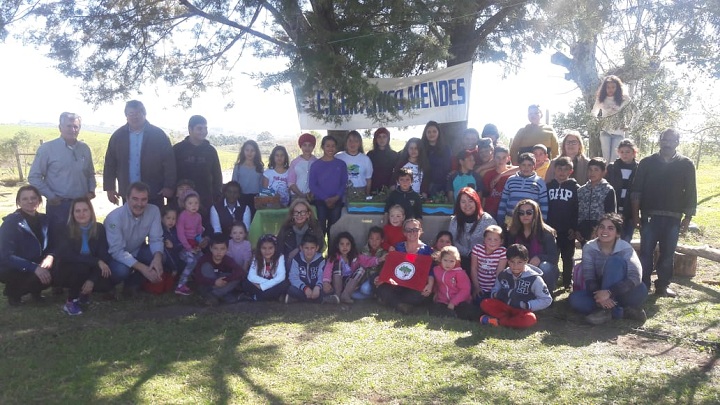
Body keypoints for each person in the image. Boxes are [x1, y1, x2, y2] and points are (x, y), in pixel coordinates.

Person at [632, 128, 697, 297]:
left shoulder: (686, 164)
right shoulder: (647, 162)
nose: (667, 143)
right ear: (659, 141)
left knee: (668, 253)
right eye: (664, 139)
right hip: (649, 216)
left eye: (671, 140)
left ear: (677, 142)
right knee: (646, 252)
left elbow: (691, 192)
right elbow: (636, 191)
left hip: (674, 217)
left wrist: (687, 218)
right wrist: (635, 215)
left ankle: (662, 285)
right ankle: (643, 283)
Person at [569, 214, 648, 324]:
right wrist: (602, 296)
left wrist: (610, 293)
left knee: (614, 261)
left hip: (627, 291)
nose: (605, 231)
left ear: (618, 233)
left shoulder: (625, 248)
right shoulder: (589, 247)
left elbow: (635, 276)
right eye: (602, 227)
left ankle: (604, 311)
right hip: (599, 291)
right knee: (575, 299)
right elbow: (589, 277)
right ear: (597, 230)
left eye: (610, 228)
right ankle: (621, 312)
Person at [28, 112, 96, 227]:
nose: (72, 130)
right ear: (60, 127)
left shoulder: (84, 148)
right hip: (59, 206)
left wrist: (91, 190)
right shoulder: (47, 149)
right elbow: (34, 177)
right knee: (59, 241)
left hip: (82, 205)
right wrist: (51, 196)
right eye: (69, 126)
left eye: (76, 126)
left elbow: (90, 173)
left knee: (83, 239)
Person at [104, 100, 176, 207]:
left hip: (153, 192)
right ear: (126, 116)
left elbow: (169, 162)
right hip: (128, 193)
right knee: (129, 223)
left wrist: (169, 186)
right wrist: (110, 188)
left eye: (137, 113)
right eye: (131, 114)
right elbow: (110, 163)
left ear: (144, 114)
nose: (134, 117)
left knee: (153, 222)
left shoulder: (158, 135)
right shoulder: (118, 136)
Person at [104, 182, 164, 296]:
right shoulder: (114, 218)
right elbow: (117, 251)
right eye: (135, 199)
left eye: (144, 199)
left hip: (137, 249)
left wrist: (157, 259)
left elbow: (156, 239)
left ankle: (131, 286)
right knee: (121, 271)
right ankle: (108, 285)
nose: (139, 204)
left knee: (161, 256)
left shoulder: (154, 211)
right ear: (127, 198)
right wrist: (143, 269)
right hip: (115, 256)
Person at [53, 197, 112, 315]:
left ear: (91, 212)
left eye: (85, 210)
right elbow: (67, 255)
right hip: (67, 270)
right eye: (77, 211)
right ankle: (70, 302)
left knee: (106, 283)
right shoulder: (65, 228)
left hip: (89, 269)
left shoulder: (99, 228)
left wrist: (92, 280)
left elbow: (103, 255)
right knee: (80, 266)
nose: (81, 214)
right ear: (72, 213)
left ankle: (83, 295)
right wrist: (96, 261)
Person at [0, 185, 55, 305]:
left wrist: (50, 256)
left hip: (38, 263)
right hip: (15, 267)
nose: (30, 201)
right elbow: (5, 256)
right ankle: (13, 293)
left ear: (39, 200)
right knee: (29, 274)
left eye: (33, 198)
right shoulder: (10, 223)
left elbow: (53, 244)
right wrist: (34, 268)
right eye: (25, 199)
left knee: (58, 270)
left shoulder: (45, 220)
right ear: (18, 202)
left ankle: (36, 291)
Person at [479, 244, 552, 328]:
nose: (515, 266)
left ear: (526, 261)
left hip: (522, 310)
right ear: (508, 261)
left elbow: (546, 299)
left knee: (530, 319)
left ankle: (499, 321)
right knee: (485, 303)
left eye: (519, 262)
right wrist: (497, 294)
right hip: (505, 307)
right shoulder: (503, 274)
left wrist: (527, 305)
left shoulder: (534, 278)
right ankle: (505, 319)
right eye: (512, 262)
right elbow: (494, 290)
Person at [375, 219, 434, 314]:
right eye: (408, 230)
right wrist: (381, 278)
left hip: (414, 286)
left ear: (420, 231)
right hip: (398, 284)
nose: (412, 232)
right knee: (382, 288)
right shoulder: (398, 247)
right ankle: (400, 305)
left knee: (421, 295)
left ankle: (392, 302)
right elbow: (390, 267)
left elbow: (430, 271)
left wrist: (430, 285)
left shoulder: (427, 250)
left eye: (415, 229)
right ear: (404, 232)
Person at [506, 199, 559, 292]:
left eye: (529, 212)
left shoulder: (546, 233)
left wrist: (540, 258)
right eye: (521, 213)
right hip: (518, 266)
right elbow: (507, 253)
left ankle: (546, 293)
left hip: (540, 269)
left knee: (546, 266)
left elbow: (554, 257)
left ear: (536, 214)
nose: (525, 215)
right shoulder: (512, 232)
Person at [173, 115, 222, 211]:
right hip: (182, 201)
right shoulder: (177, 149)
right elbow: (171, 172)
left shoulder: (211, 151)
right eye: (199, 128)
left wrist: (217, 193)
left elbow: (217, 175)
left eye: (205, 128)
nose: (203, 131)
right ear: (190, 129)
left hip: (205, 199)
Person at [322, 232, 384, 304]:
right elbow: (328, 270)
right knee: (337, 264)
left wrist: (379, 259)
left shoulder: (355, 257)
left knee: (361, 269)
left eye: (347, 244)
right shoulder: (334, 257)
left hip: (349, 284)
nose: (345, 247)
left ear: (351, 245)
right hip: (337, 283)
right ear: (337, 245)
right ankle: (337, 295)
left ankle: (345, 295)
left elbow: (367, 261)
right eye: (342, 244)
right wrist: (326, 282)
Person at [546, 157, 579, 289]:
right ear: (555, 169)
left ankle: (567, 281)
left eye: (566, 169)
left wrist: (573, 227)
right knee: (552, 256)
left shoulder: (576, 188)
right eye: (559, 169)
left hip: (567, 230)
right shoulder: (548, 186)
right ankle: (551, 280)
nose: (562, 172)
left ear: (570, 171)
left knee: (567, 256)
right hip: (550, 228)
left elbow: (577, 209)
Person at [448, 187, 497, 271]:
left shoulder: (488, 221)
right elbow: (451, 241)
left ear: (476, 202)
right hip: (459, 261)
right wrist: (468, 253)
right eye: (463, 202)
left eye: (470, 201)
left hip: (484, 263)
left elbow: (496, 241)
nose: (467, 205)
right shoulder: (455, 221)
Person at [309, 135, 348, 237]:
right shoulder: (316, 165)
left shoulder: (341, 164)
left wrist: (336, 197)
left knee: (334, 228)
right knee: (320, 229)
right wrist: (326, 198)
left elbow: (344, 183)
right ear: (322, 147)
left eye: (333, 146)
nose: (330, 149)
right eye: (328, 146)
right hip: (320, 201)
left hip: (337, 201)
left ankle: (333, 252)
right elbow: (312, 185)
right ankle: (320, 250)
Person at [193, 233, 247, 305]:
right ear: (210, 248)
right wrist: (214, 282)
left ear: (227, 249)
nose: (219, 252)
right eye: (215, 248)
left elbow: (240, 271)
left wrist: (224, 280)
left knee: (236, 276)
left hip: (219, 284)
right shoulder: (204, 259)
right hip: (207, 285)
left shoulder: (227, 259)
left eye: (222, 249)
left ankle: (214, 295)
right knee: (206, 266)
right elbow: (198, 278)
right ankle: (221, 295)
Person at [497, 152, 549, 225]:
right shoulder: (510, 180)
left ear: (534, 166)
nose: (526, 168)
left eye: (529, 165)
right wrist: (500, 219)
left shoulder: (540, 182)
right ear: (519, 166)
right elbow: (503, 201)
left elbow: (544, 204)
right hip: (510, 221)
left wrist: (542, 222)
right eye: (523, 165)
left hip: (530, 221)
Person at [591, 76, 634, 162]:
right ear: (604, 88)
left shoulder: (624, 99)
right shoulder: (601, 99)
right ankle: (604, 175)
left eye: (613, 87)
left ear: (617, 87)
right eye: (608, 87)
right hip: (605, 132)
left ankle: (612, 175)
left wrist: (629, 126)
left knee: (614, 160)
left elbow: (634, 113)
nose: (610, 89)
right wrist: (597, 122)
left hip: (618, 133)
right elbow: (593, 113)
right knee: (606, 160)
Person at [429, 246, 478, 320]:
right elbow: (436, 284)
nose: (448, 264)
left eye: (451, 261)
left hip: (459, 302)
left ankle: (454, 314)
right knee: (435, 309)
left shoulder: (460, 273)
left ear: (456, 261)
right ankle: (450, 314)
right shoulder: (436, 270)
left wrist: (453, 302)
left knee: (467, 311)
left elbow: (465, 290)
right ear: (440, 259)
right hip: (443, 300)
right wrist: (435, 293)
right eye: (445, 260)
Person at [577, 157, 616, 245]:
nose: (592, 173)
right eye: (590, 170)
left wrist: (601, 230)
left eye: (596, 170)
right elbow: (576, 212)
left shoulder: (608, 190)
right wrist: (577, 229)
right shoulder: (581, 190)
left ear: (603, 172)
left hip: (601, 230)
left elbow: (611, 214)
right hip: (583, 230)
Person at [605, 139, 639, 241]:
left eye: (628, 152)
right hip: (614, 209)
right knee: (612, 238)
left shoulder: (638, 168)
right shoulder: (612, 167)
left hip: (629, 210)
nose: (625, 154)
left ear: (634, 153)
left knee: (626, 239)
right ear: (618, 152)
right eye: (622, 152)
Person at [174, 190, 206, 296]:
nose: (194, 206)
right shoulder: (182, 216)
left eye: (196, 203)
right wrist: (188, 247)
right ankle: (180, 285)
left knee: (202, 259)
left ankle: (199, 282)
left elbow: (198, 232)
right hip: (183, 246)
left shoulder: (198, 216)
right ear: (185, 204)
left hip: (194, 245)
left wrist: (199, 244)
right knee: (191, 261)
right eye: (190, 203)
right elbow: (180, 234)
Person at [277, 198, 325, 267]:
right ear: (292, 214)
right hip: (289, 263)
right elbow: (279, 248)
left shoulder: (315, 227)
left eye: (302, 212)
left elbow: (320, 246)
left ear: (308, 214)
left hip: (311, 263)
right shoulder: (286, 228)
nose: (299, 215)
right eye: (296, 212)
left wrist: (298, 249)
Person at [242, 234, 289, 302]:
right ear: (260, 248)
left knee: (285, 284)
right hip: (263, 282)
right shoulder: (257, 257)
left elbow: (281, 276)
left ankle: (257, 297)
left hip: (270, 284)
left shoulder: (280, 257)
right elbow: (251, 276)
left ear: (275, 248)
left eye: (270, 248)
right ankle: (271, 297)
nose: (267, 251)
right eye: (264, 248)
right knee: (246, 282)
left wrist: (263, 286)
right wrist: (265, 283)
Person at [286, 234, 326, 304]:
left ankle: (297, 299)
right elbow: (293, 277)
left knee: (327, 289)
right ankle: (321, 300)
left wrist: (318, 287)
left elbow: (322, 276)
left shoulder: (321, 260)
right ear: (301, 248)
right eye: (306, 248)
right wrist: (305, 288)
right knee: (291, 289)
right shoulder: (297, 259)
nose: (309, 251)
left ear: (317, 248)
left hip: (316, 286)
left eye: (312, 248)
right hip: (302, 287)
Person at [470, 225, 507, 302]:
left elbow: (499, 272)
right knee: (478, 302)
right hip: (479, 286)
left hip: (494, 287)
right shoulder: (477, 249)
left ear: (501, 241)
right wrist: (476, 287)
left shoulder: (502, 252)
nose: (492, 242)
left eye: (496, 239)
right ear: (484, 240)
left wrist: (495, 290)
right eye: (489, 239)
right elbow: (474, 268)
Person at [232, 140, 264, 219]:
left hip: (255, 199)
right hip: (241, 198)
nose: (249, 153)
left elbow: (262, 185)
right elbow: (234, 184)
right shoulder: (238, 167)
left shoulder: (259, 167)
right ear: (243, 151)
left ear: (256, 152)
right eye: (247, 150)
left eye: (252, 150)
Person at [335, 130, 373, 196]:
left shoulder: (366, 159)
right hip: (342, 192)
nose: (352, 143)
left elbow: (368, 179)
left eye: (356, 141)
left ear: (359, 143)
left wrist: (367, 194)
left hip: (360, 192)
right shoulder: (338, 157)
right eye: (350, 140)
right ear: (346, 142)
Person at [354, 226, 387, 300]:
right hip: (363, 278)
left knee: (365, 289)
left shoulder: (384, 253)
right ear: (368, 239)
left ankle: (374, 294)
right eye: (371, 239)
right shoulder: (363, 250)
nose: (374, 242)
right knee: (353, 293)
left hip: (375, 280)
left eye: (377, 239)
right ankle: (373, 295)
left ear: (382, 240)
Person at [482, 145, 515, 221]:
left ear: (508, 158)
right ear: (494, 158)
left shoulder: (513, 175)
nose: (501, 160)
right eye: (498, 157)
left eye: (504, 157)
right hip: (490, 210)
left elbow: (525, 168)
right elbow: (484, 195)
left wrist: (501, 175)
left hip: (507, 210)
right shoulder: (488, 174)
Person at [421, 121, 452, 196]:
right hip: (424, 186)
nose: (431, 134)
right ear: (425, 134)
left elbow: (448, 167)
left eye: (434, 131)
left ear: (439, 133)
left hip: (442, 186)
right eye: (429, 132)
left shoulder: (446, 149)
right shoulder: (421, 148)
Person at [367, 127, 399, 194]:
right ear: (375, 139)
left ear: (388, 139)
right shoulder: (370, 154)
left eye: (384, 137)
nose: (382, 139)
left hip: (389, 188)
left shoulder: (394, 155)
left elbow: (397, 172)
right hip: (373, 188)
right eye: (379, 137)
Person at [288, 133, 318, 201]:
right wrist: (301, 195)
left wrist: (311, 194)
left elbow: (318, 181)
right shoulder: (294, 163)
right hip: (296, 196)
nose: (307, 148)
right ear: (300, 146)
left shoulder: (317, 162)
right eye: (304, 145)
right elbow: (291, 182)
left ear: (313, 147)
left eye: (310, 145)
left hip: (312, 197)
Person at [160, 206, 184, 280]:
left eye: (173, 219)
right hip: (168, 262)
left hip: (177, 255)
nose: (171, 221)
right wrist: (174, 268)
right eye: (168, 218)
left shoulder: (176, 230)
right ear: (162, 218)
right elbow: (167, 252)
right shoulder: (161, 232)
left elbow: (181, 244)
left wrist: (174, 246)